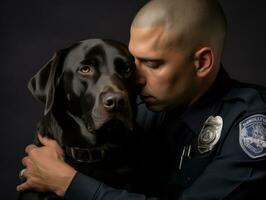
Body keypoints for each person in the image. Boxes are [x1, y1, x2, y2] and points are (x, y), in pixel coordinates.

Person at [17, 0, 266, 199]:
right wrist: (50, 163)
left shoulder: (251, 126)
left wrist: (68, 183)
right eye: (132, 62)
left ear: (201, 63)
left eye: (152, 63)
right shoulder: (141, 107)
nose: (134, 80)